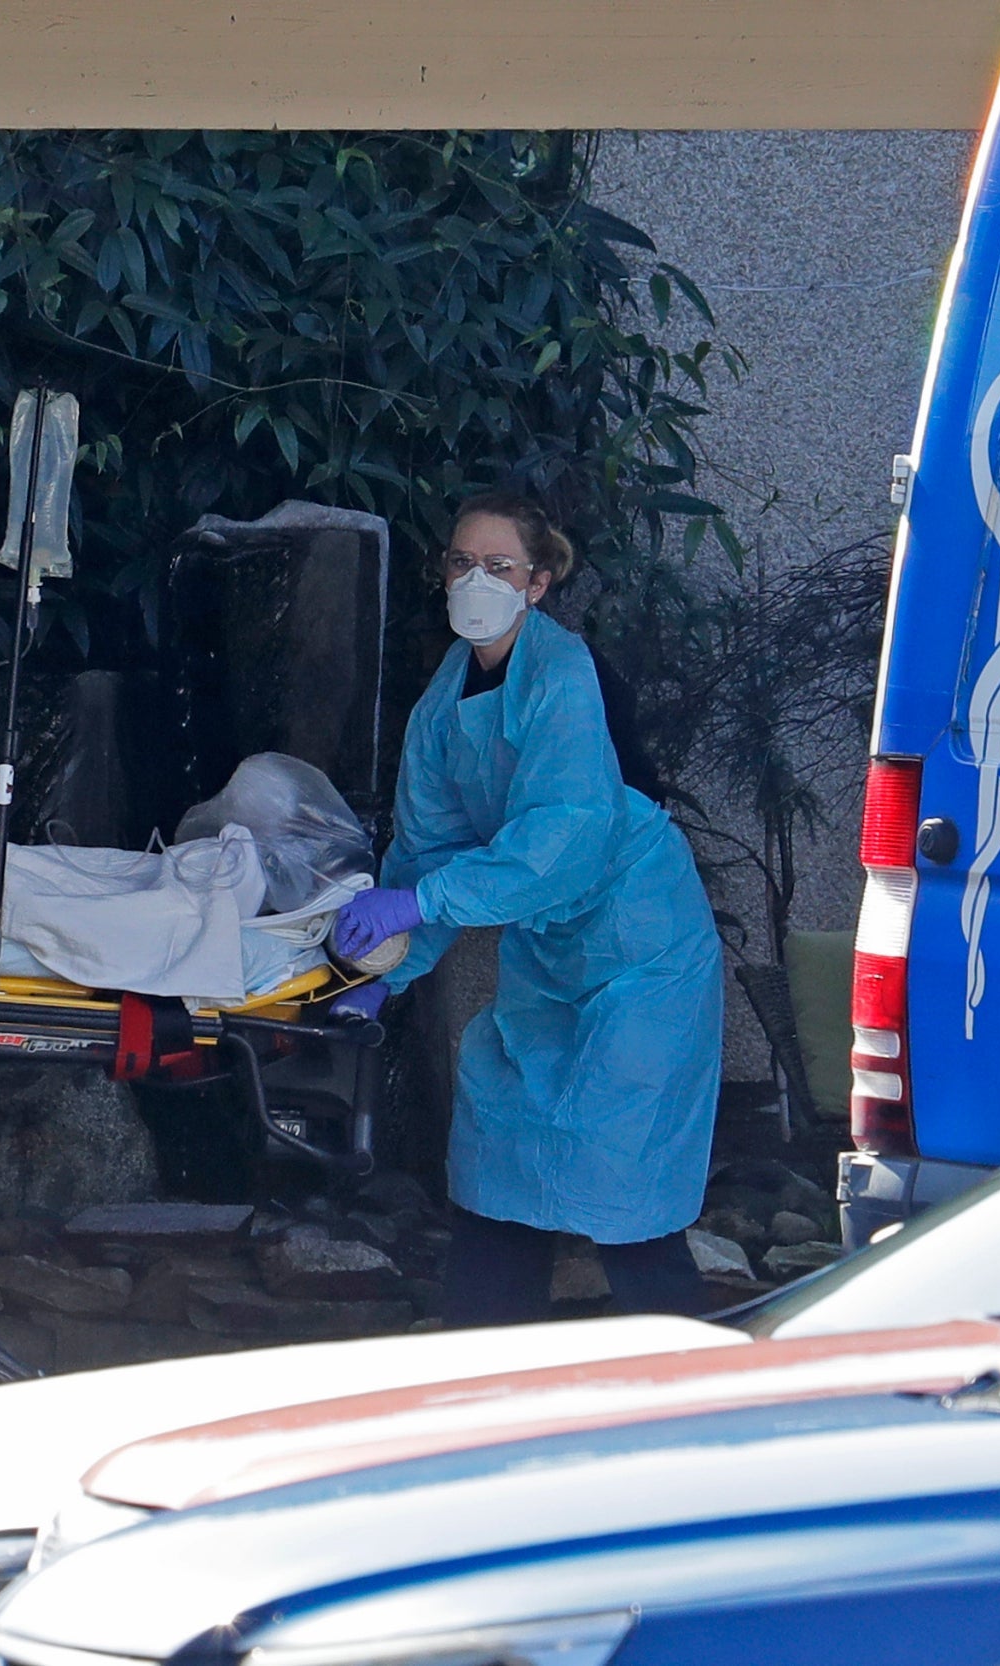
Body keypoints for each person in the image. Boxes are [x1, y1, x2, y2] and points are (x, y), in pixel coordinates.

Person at [331, 491, 722, 1325]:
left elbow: (565, 836)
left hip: (641, 946)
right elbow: (428, 848)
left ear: (538, 583)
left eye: (499, 566)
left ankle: (701, 1385)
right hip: (553, 948)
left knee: (624, 1176)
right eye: (462, 563)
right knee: (499, 1153)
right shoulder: (444, 700)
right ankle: (478, 1365)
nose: (476, 580)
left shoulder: (564, 676)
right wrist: (385, 973)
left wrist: (422, 902)